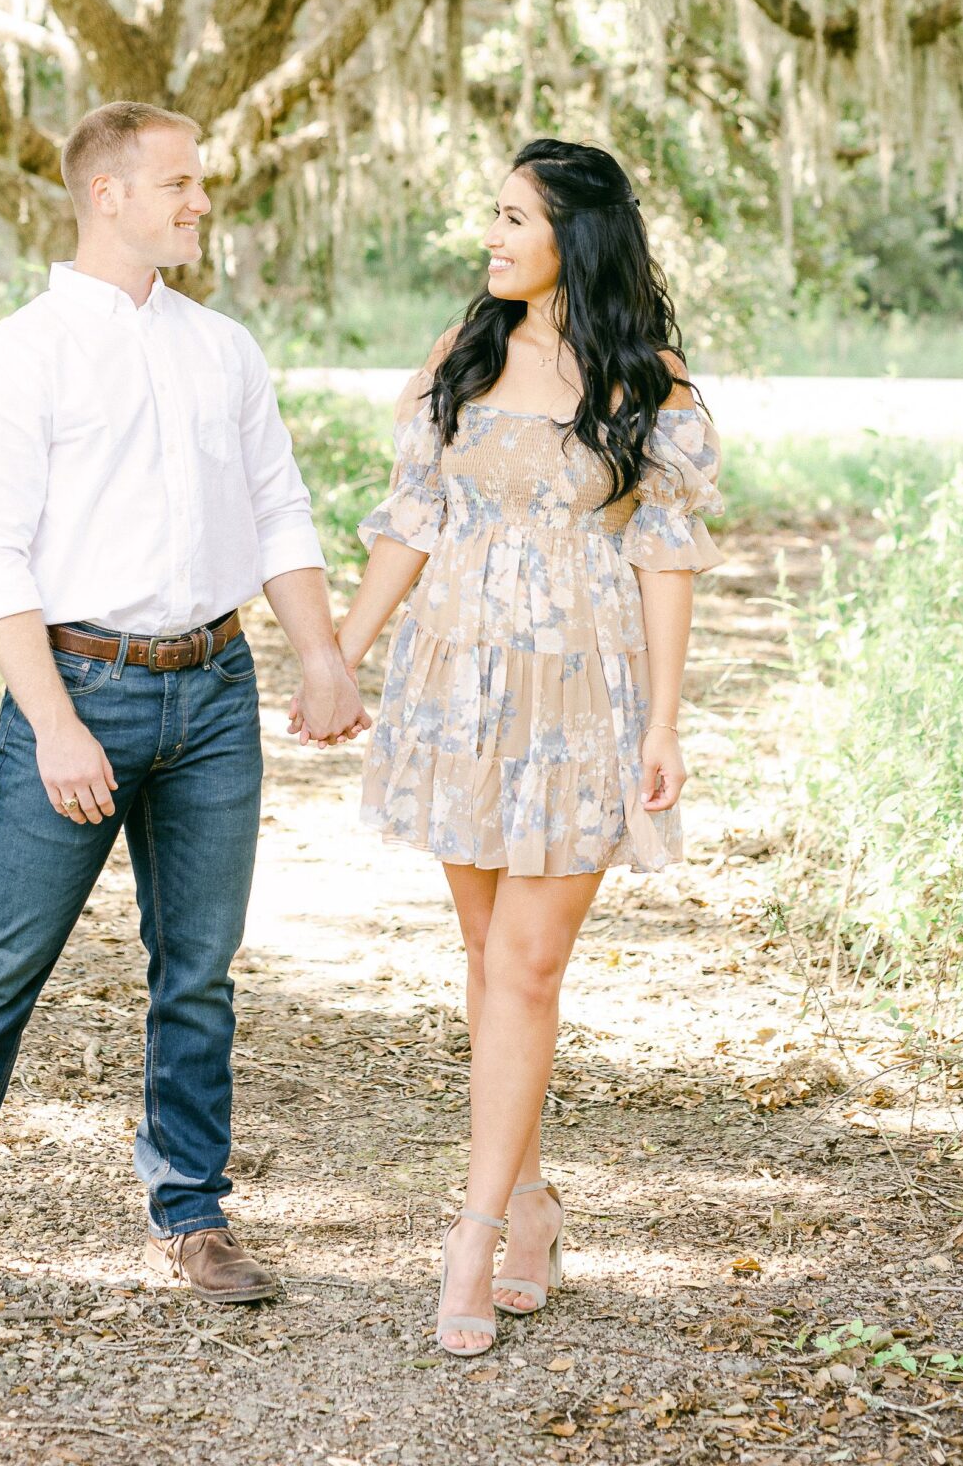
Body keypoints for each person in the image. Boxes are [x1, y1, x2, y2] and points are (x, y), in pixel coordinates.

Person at [0, 101, 368, 1311]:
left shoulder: (222, 348)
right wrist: (53, 721)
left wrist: (323, 655)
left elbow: (278, 506)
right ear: (107, 194)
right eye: (180, 183)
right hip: (77, 686)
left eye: (200, 183)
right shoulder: (16, 356)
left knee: (196, 970)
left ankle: (191, 1212)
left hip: (215, 693)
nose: (200, 201)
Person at [325, 139, 722, 1355]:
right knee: (486, 951)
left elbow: (662, 555)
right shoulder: (465, 353)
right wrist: (340, 651)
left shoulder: (643, 380)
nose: (489, 239)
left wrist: (661, 719)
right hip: (457, 681)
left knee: (528, 969)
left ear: (574, 237)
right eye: (490, 216)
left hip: (574, 692)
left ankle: (475, 1229)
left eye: (511, 218)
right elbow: (413, 520)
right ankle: (535, 1200)